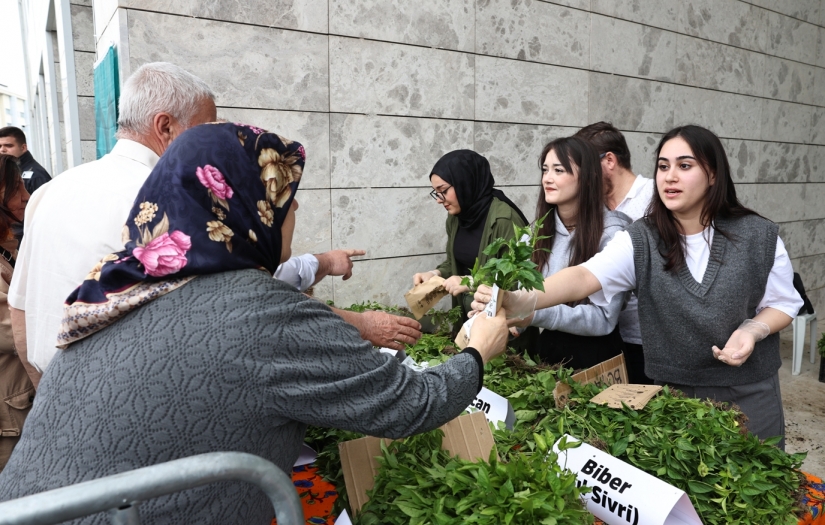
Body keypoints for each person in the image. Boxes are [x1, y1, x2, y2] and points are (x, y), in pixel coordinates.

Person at [0, 123, 509, 524]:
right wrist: (477, 353)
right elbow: (409, 402)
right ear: (246, 207)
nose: (294, 211)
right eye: (284, 199)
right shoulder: (262, 310)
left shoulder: (118, 282)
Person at [9, 64, 418, 387]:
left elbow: (21, 312)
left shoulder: (54, 190)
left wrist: (47, 398)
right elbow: (248, 302)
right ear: (165, 126)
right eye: (207, 130)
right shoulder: (168, 201)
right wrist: (360, 324)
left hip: (61, 396)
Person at [473, 125, 802, 448]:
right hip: (674, 396)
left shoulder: (757, 235)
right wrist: (521, 299)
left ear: (713, 174)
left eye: (684, 166)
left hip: (749, 393)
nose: (670, 177)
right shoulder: (643, 238)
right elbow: (583, 276)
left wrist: (753, 329)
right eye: (663, 166)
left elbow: (783, 302)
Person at [523, 136, 630, 369]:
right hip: (548, 352)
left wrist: (533, 313)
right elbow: (519, 292)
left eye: (559, 170)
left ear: (588, 177)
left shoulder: (613, 234)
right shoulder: (535, 232)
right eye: (545, 170)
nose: (547, 178)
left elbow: (604, 319)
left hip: (598, 358)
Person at [575, 122, 655, 383]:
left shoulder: (655, 197)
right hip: (610, 338)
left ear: (609, 160)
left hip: (651, 341)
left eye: (584, 165)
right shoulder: (592, 207)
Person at [413, 150, 529, 317]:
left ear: (465, 183)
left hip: (504, 322)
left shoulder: (505, 219)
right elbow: (455, 262)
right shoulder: (456, 217)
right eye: (436, 192)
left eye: (443, 191)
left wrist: (470, 282)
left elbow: (518, 279)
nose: (439, 199)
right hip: (469, 318)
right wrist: (434, 274)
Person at [0, 155, 34, 472]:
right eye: (16, 188)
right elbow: (13, 330)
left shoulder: (7, 245)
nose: (25, 196)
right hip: (8, 419)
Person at [0, 126, 51, 195]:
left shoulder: (37, 176)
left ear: (23, 148)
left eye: (8, 146)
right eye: (0, 146)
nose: (2, 150)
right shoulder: (9, 170)